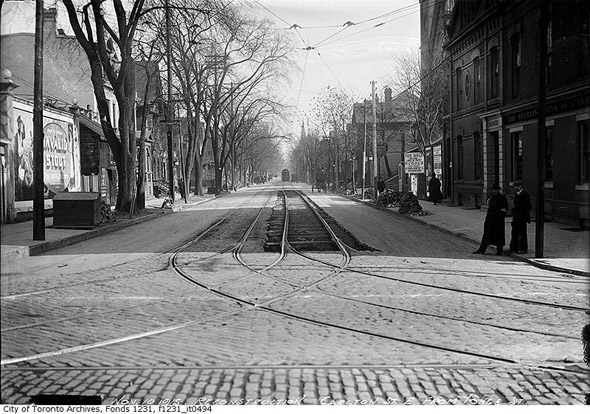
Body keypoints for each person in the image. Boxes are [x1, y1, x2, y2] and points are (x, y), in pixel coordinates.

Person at [473, 183, 508, 255]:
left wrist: (500, 218)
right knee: (486, 235)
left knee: (499, 236)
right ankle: (482, 249)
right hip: (490, 219)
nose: (494, 191)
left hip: (498, 221)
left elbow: (504, 210)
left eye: (496, 190)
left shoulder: (502, 198)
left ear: (499, 190)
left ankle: (499, 250)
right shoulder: (492, 198)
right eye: (494, 190)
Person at [508, 180, 532, 254]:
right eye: (515, 186)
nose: (516, 188)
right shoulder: (517, 194)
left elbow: (528, 206)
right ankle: (514, 247)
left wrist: (523, 214)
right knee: (514, 232)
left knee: (522, 233)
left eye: (517, 186)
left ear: (521, 186)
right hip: (516, 217)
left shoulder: (525, 194)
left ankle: (523, 248)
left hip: (522, 217)